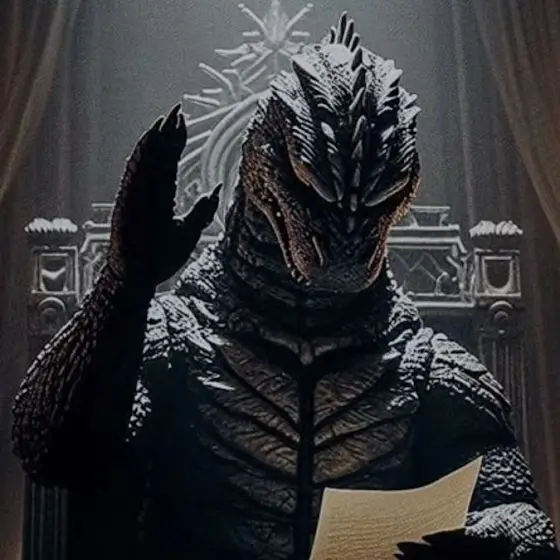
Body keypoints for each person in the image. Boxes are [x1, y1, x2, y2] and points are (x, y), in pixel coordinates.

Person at [12, 13, 558, 560]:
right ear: (263, 155)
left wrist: (497, 536)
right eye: (314, 193)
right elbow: (52, 453)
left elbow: (521, 516)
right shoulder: (171, 343)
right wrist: (123, 289)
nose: (340, 241)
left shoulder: (432, 371)